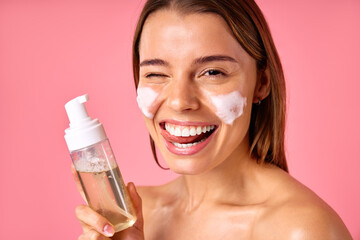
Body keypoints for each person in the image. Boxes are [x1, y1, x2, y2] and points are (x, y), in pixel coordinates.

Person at [73, 0, 353, 239]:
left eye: (212, 72)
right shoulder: (134, 216)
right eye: (156, 74)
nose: (180, 101)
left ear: (262, 83)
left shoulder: (301, 229)